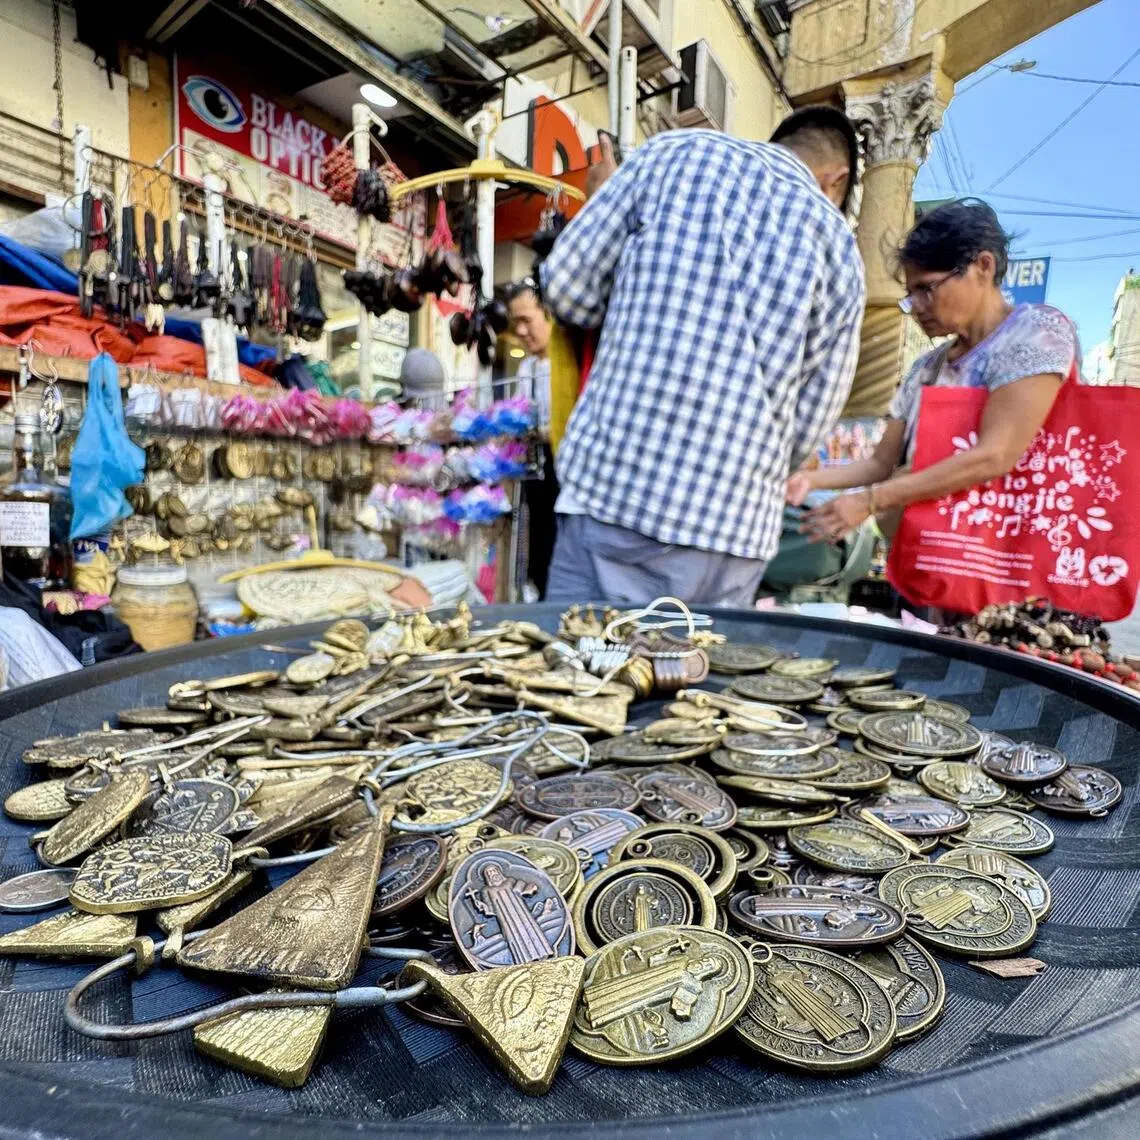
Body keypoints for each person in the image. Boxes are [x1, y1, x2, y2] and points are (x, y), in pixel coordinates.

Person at [538, 109, 866, 607]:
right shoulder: (841, 250)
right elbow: (810, 423)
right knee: (697, 679)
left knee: (586, 673)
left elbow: (566, 289)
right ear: (836, 179)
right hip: (734, 533)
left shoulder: (672, 154)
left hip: (618, 494)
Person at [791, 199, 1079, 556]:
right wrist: (809, 479)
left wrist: (870, 500)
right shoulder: (927, 368)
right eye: (910, 295)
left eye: (927, 289)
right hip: (933, 558)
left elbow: (995, 455)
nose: (917, 308)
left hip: (1012, 563)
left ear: (983, 266)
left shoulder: (1037, 333)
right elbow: (881, 462)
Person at [506, 280, 560, 599]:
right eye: (516, 323)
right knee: (536, 538)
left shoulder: (569, 363)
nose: (522, 331)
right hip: (534, 469)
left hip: (563, 467)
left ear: (548, 314)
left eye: (527, 320)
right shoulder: (526, 368)